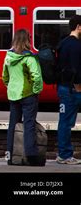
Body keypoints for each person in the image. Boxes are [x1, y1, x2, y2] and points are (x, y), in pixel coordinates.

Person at [2, 29, 43, 166]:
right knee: (29, 124)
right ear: (27, 41)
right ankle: (31, 155)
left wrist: (11, 87)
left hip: (13, 95)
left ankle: (10, 155)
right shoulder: (29, 58)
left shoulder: (8, 57)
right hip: (28, 94)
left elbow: (4, 77)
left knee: (13, 125)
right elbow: (36, 76)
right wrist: (36, 91)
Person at [56, 15, 81, 164]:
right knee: (66, 122)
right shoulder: (76, 45)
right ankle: (65, 155)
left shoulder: (63, 42)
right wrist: (78, 88)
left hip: (64, 88)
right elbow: (76, 69)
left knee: (64, 121)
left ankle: (63, 154)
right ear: (78, 27)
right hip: (72, 90)